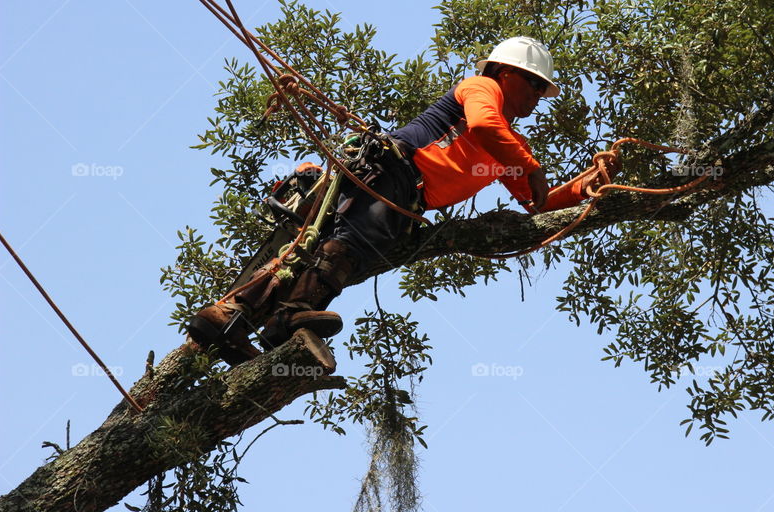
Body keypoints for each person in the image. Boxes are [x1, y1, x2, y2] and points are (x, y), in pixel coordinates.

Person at [187, 36, 619, 365]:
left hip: (404, 198)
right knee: (349, 244)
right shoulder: (481, 89)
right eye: (534, 85)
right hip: (393, 171)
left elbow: (538, 205)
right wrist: (533, 167)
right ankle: (279, 316)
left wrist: (586, 186)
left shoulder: (509, 145)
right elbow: (486, 127)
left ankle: (240, 318)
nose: (536, 97)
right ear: (507, 73)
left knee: (324, 251)